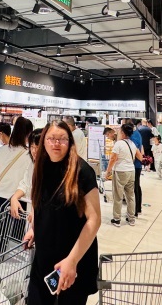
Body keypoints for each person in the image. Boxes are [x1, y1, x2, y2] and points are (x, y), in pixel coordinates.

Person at [24, 121, 101, 304]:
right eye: (51, 138)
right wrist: (35, 228)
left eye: (62, 139)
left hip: (74, 260)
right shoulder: (41, 167)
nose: (56, 143)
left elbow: (94, 220)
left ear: (70, 142)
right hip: (44, 259)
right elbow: (40, 202)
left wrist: (72, 261)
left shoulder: (82, 171)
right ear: (44, 141)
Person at [0, 118, 33, 283]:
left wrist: (2, 180)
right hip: (18, 202)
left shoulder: (2, 150)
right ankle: (12, 277)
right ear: (28, 134)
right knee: (14, 241)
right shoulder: (29, 154)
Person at [104, 123, 142, 227]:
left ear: (123, 133)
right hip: (131, 171)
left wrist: (108, 171)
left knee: (118, 196)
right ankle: (131, 218)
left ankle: (116, 219)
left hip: (120, 171)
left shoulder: (119, 144)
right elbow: (140, 156)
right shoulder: (132, 144)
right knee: (130, 196)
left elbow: (113, 158)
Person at [9, 129, 42, 219]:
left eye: (38, 147)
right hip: (31, 213)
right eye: (32, 146)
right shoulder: (32, 164)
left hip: (43, 216)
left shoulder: (51, 168)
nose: (34, 150)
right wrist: (14, 197)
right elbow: (25, 184)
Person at [129, 124, 144, 216]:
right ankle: (138, 208)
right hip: (137, 166)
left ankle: (135, 210)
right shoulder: (137, 133)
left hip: (134, 165)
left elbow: (136, 151)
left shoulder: (133, 136)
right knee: (137, 186)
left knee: (134, 187)